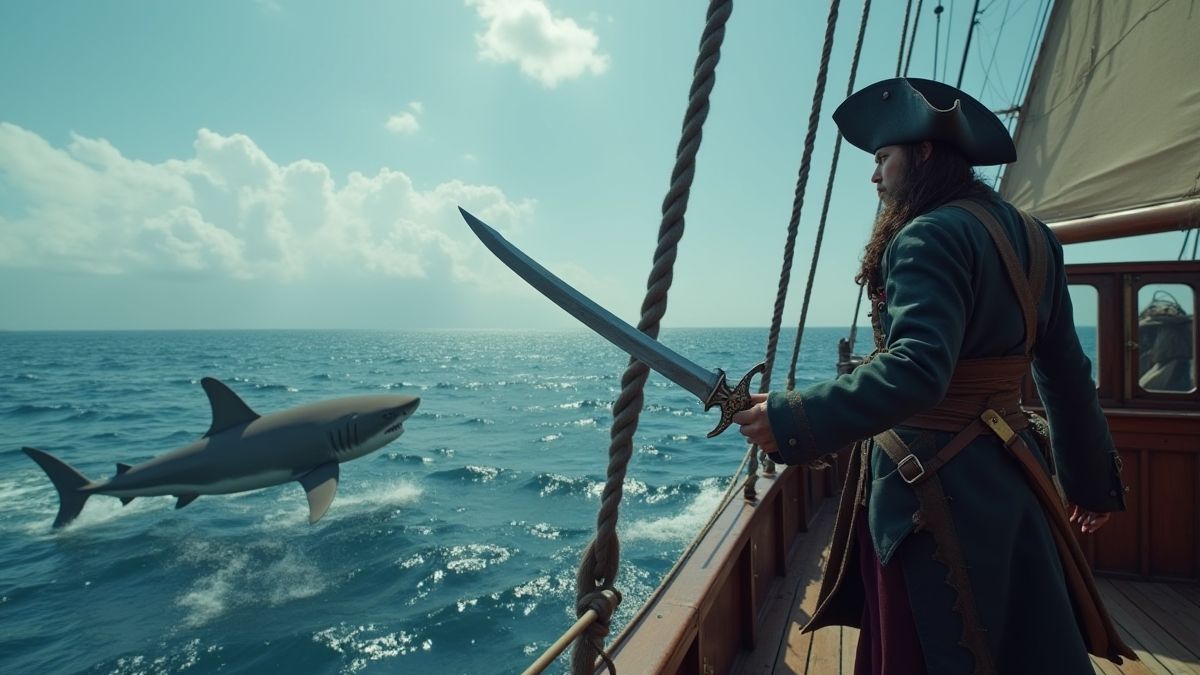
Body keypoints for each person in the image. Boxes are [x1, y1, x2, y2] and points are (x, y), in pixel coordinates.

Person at [732, 78, 1133, 674]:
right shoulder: (1035, 238)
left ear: (922, 154)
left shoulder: (927, 233)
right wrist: (1088, 482)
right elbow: (1066, 372)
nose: (874, 177)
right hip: (1013, 474)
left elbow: (919, 369)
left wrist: (794, 417)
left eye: (882, 158)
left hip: (933, 487)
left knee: (932, 646)